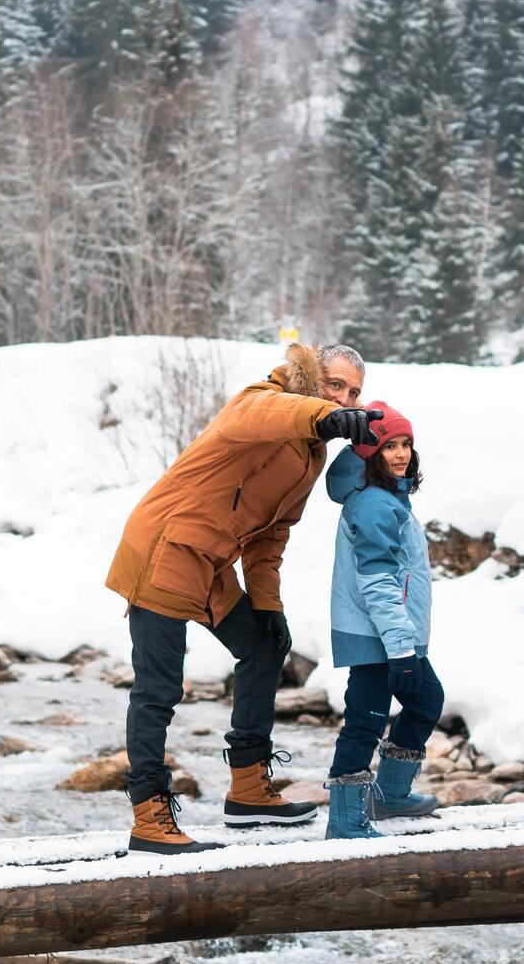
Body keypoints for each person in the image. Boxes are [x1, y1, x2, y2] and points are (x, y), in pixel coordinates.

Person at [106, 342, 383, 852]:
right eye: (334, 385)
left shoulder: (309, 452)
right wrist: (328, 417)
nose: (344, 398)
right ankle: (149, 816)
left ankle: (249, 789)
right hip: (164, 547)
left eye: (353, 393)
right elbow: (266, 415)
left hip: (208, 561)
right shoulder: (262, 398)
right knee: (159, 688)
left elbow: (270, 535)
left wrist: (267, 603)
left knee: (264, 645)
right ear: (309, 376)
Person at [319, 402, 444, 840]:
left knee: (426, 701)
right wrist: (401, 648)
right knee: (366, 719)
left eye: (406, 444)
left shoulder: (388, 497)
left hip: (393, 636)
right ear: (370, 452)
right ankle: (345, 820)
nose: (401, 453)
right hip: (378, 637)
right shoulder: (373, 504)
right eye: (389, 445)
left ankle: (389, 795)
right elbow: (377, 583)